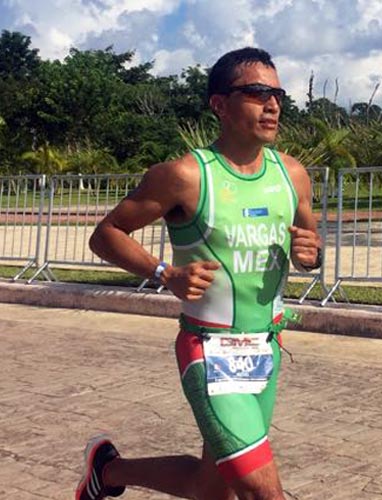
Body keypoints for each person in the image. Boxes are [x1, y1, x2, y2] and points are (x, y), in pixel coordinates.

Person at [75, 47, 321, 500]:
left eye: (278, 94)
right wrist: (165, 272)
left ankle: (107, 472)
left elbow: (309, 246)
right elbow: (106, 234)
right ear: (219, 105)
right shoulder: (185, 176)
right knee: (261, 490)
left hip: (267, 348)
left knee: (212, 489)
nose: (272, 105)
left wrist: (312, 255)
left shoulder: (292, 174)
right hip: (210, 351)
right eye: (257, 92)